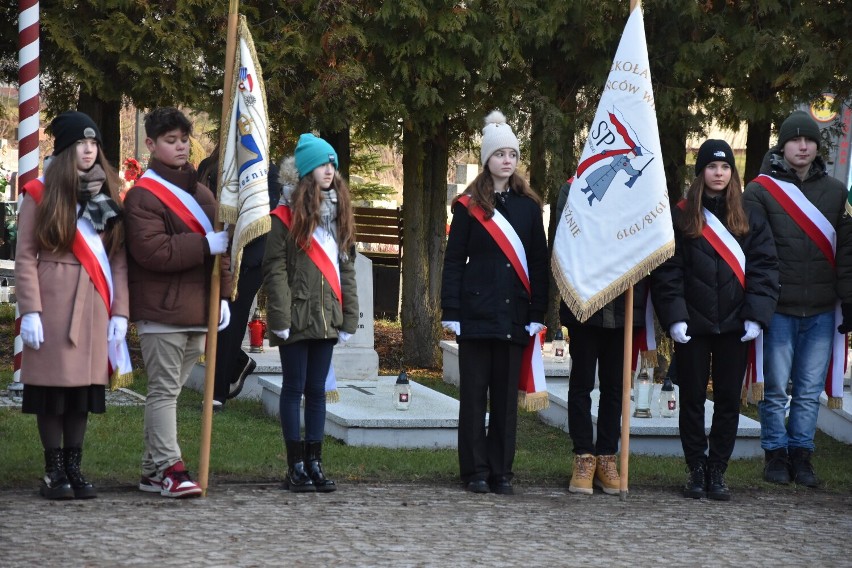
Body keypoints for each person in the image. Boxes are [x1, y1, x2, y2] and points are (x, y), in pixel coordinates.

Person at [653, 139, 779, 500]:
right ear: (701, 172)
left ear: (732, 173)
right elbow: (669, 271)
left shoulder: (750, 214)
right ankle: (696, 467)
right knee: (691, 398)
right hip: (692, 324)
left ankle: (718, 470)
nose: (719, 173)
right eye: (712, 167)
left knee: (727, 400)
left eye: (725, 168)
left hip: (736, 326)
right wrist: (675, 316)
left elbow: (765, 269)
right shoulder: (681, 215)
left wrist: (755, 316)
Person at [15, 111, 128, 499]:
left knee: (82, 391)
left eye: (94, 143)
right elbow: (26, 255)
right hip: (52, 303)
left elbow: (116, 258)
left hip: (94, 302)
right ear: (65, 150)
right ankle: (53, 470)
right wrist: (29, 309)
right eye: (81, 143)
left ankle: (74, 468)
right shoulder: (39, 193)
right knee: (52, 389)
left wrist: (121, 312)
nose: (89, 150)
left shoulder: (105, 194)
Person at [124, 107, 233, 498]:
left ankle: (151, 472)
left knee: (170, 392)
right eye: (171, 141)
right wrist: (204, 245)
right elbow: (153, 251)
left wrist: (224, 295)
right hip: (161, 310)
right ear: (151, 145)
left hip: (197, 309)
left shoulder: (202, 192)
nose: (181, 147)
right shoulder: (141, 196)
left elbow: (223, 250)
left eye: (185, 139)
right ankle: (172, 469)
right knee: (165, 392)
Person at [441, 110, 549, 495]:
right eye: (500, 153)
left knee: (504, 400)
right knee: (473, 398)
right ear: (487, 159)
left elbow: (538, 262)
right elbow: (454, 261)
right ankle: (474, 470)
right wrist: (451, 311)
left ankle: (502, 470)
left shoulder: (528, 206)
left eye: (513, 155)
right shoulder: (468, 205)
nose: (507, 160)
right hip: (475, 313)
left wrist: (537, 313)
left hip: (514, 315)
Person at [743, 111, 852, 488]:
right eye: (795, 140)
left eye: (808, 140)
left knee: (807, 391)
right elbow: (752, 251)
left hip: (821, 309)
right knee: (774, 389)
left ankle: (802, 457)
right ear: (783, 145)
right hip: (778, 309)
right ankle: (775, 455)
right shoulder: (758, 191)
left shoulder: (837, 192)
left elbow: (847, 252)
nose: (803, 146)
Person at [262, 134, 358, 493]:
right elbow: (275, 269)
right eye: (322, 164)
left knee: (317, 391)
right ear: (305, 172)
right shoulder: (285, 216)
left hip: (327, 317)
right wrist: (281, 319)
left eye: (332, 164)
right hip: (297, 317)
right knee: (294, 388)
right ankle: (295, 466)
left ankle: (315, 463)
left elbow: (346, 268)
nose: (329, 171)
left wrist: (349, 317)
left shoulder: (340, 214)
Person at [556, 179, 650, 496]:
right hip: (586, 302)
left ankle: (607, 456)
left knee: (615, 387)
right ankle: (584, 456)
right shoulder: (574, 187)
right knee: (581, 383)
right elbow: (563, 242)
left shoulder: (639, 187)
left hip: (626, 305)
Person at [197, 147, 282, 410]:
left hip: (247, 259)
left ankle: (218, 394)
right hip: (212, 252)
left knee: (230, 323)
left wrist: (233, 242)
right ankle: (238, 363)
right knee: (208, 319)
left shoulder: (266, 171)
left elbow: (260, 214)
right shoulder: (208, 166)